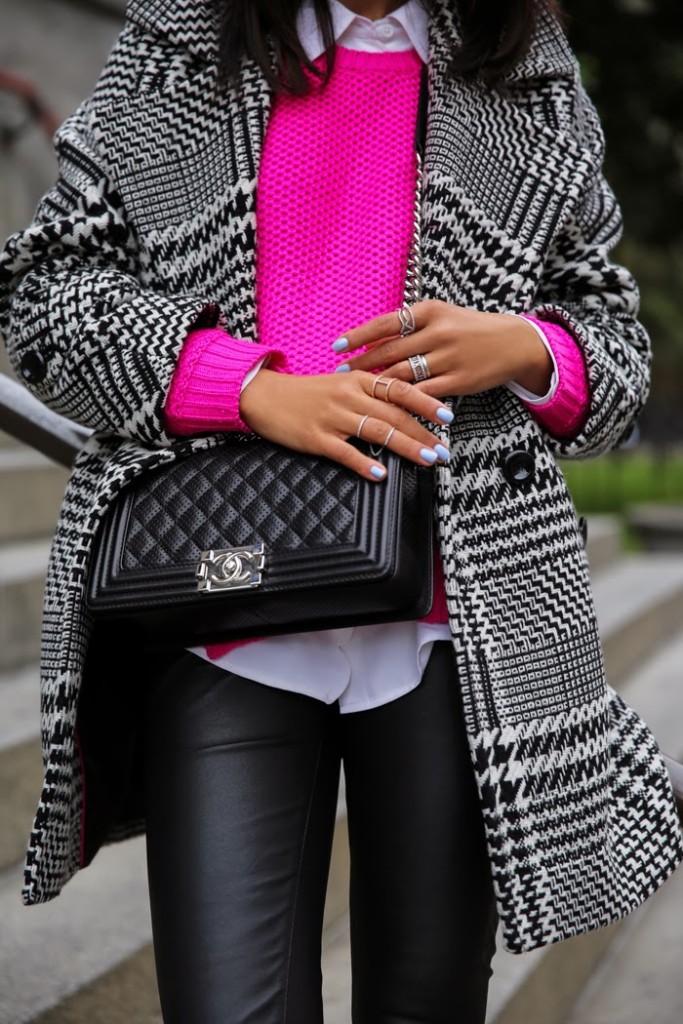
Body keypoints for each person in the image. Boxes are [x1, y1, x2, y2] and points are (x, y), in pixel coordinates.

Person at [0, 1, 681, 1021]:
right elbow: (43, 296)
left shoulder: (522, 71)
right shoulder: (181, 47)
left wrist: (527, 347)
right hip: (227, 605)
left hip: (454, 623)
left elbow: (612, 347)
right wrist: (245, 387)